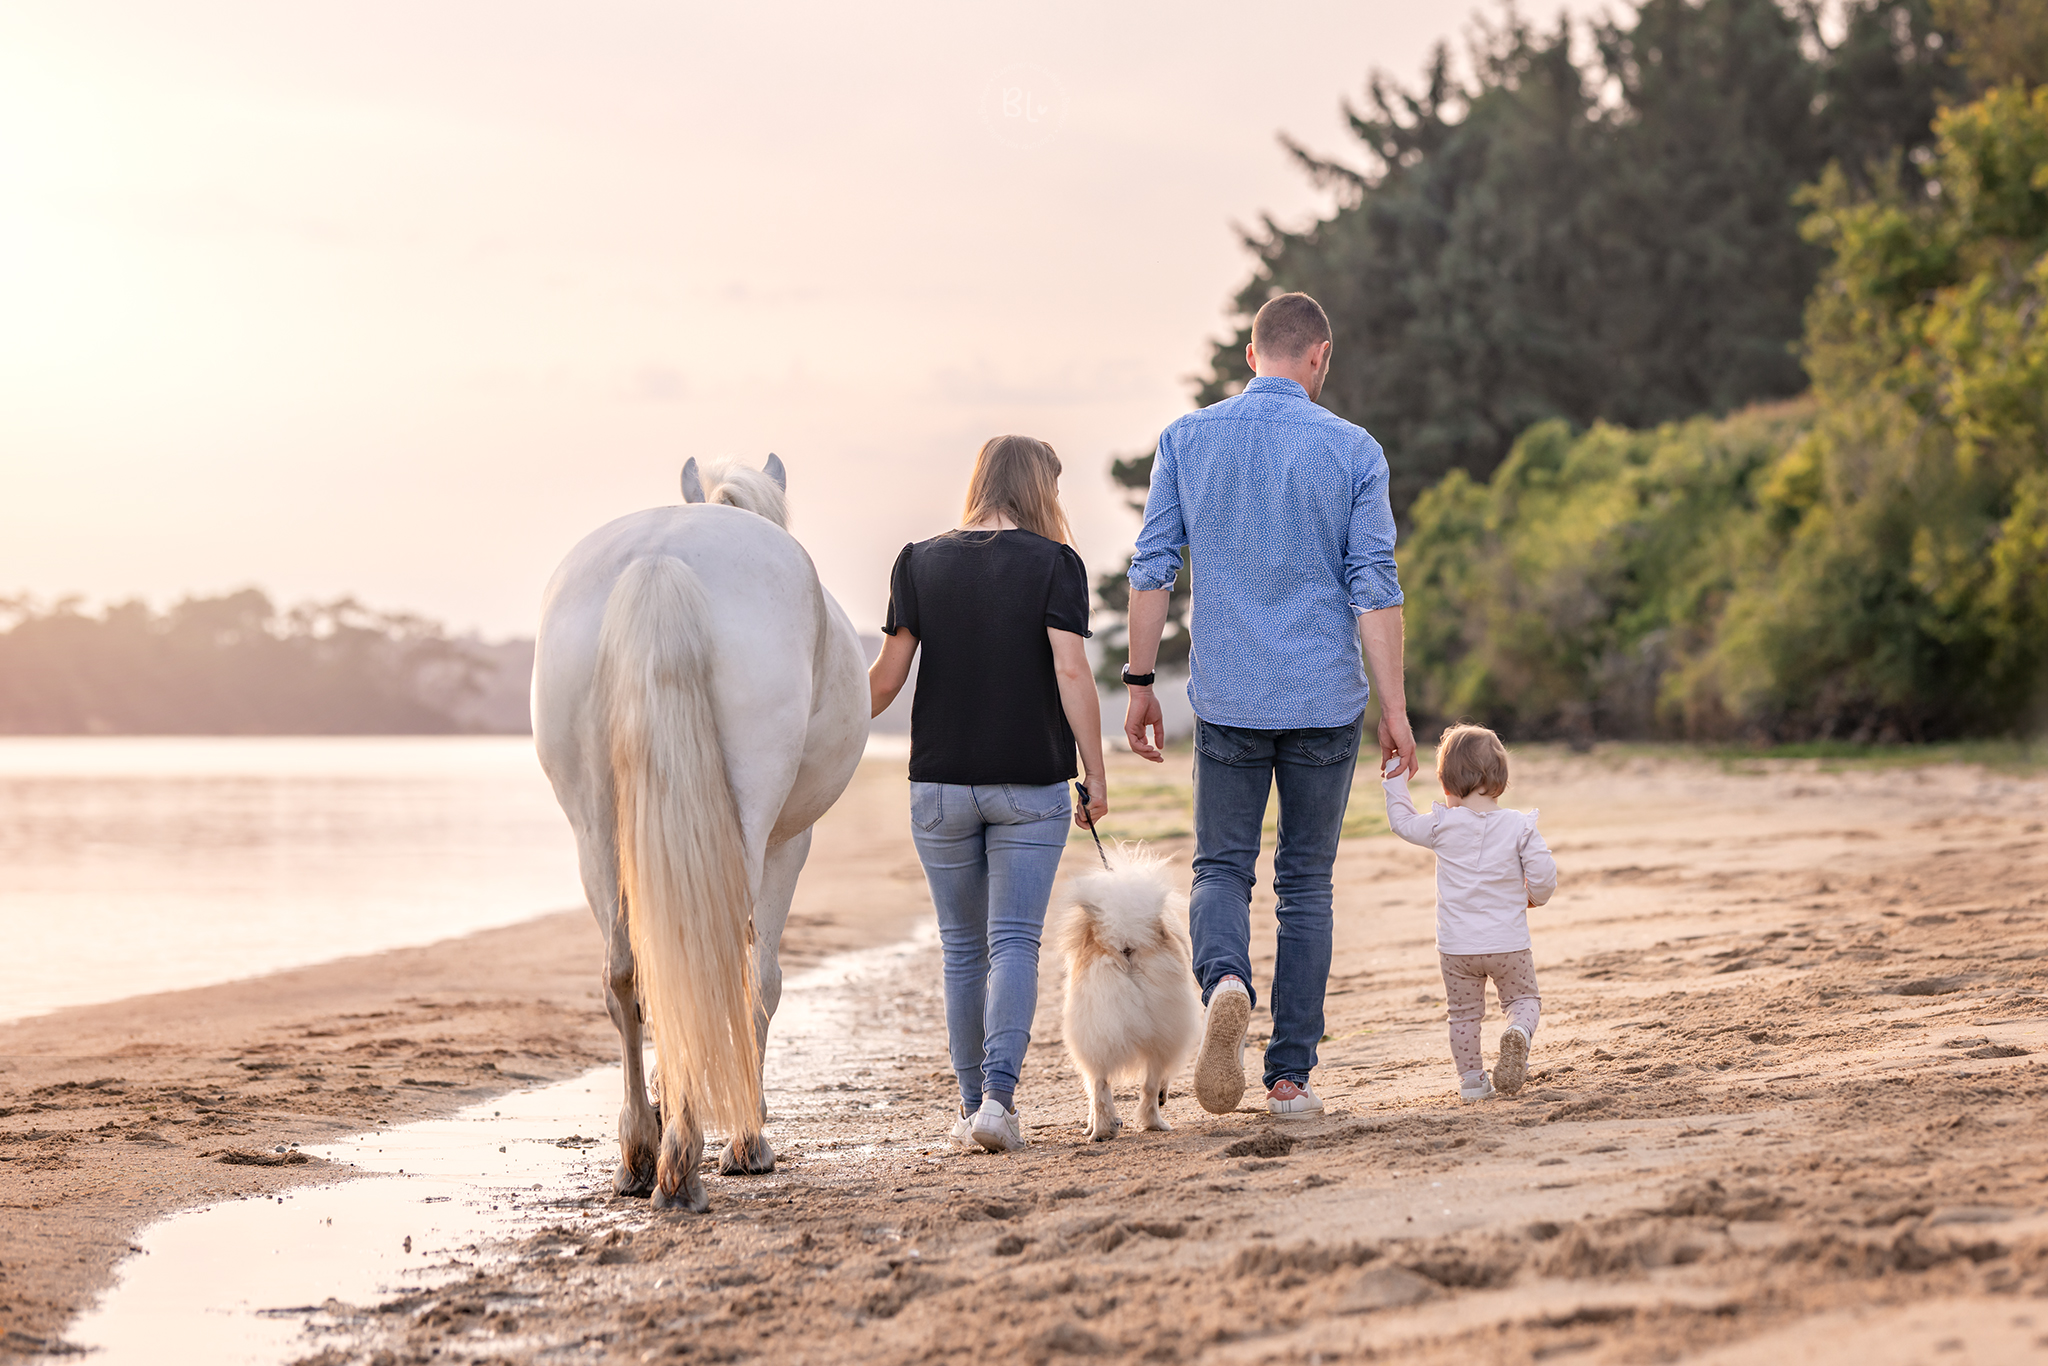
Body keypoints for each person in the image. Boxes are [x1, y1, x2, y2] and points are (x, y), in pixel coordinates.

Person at [1123, 291, 1414, 1119]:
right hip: (1324, 698)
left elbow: (1152, 568)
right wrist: (1395, 710)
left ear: (1252, 357)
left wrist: (1140, 684)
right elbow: (1374, 587)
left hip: (1230, 696)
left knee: (1221, 868)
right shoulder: (1354, 450)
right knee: (1307, 883)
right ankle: (1290, 1078)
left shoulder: (1186, 439)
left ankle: (1225, 981)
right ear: (1318, 357)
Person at [869, 434, 1109, 1154]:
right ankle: (998, 1106)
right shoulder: (1056, 564)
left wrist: (810, 731)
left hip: (939, 786)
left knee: (962, 949)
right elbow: (1072, 672)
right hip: (1030, 784)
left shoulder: (917, 561)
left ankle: (970, 1103)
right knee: (1013, 944)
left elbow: (883, 682)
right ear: (1038, 488)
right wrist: (1095, 773)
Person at [1383, 724, 1557, 1101]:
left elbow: (1401, 822)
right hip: (1508, 944)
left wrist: (1394, 778)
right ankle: (1518, 1032)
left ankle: (1472, 1082)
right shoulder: (1519, 826)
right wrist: (1533, 898)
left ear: (1446, 783)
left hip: (1456, 948)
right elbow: (1544, 875)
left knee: (1463, 1014)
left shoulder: (1441, 825)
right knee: (1523, 1001)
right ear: (1500, 781)